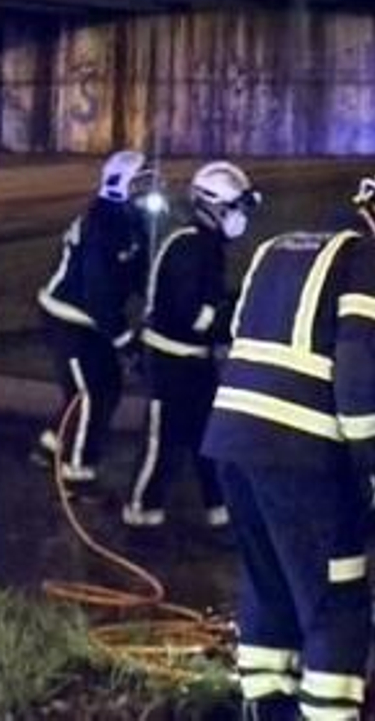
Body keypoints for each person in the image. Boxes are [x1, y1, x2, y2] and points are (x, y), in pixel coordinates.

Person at [203, 169, 375, 721]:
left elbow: (236, 333)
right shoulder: (366, 259)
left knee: (269, 587)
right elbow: (357, 372)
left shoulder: (277, 246)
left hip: (231, 443)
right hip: (300, 452)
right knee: (337, 598)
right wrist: (370, 461)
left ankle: (267, 709)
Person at [122, 161, 262, 531]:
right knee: (162, 443)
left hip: (193, 362)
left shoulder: (206, 244)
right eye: (235, 208)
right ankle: (140, 517)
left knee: (208, 440)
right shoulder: (189, 245)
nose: (240, 218)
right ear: (212, 205)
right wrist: (227, 321)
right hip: (169, 363)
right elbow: (190, 313)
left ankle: (220, 513)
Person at [35, 150, 156, 484]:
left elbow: (139, 272)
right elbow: (98, 292)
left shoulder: (131, 220)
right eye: (141, 183)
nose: (148, 190)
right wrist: (124, 340)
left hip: (91, 319)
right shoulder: (101, 225)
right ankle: (76, 472)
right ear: (120, 186)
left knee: (98, 389)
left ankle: (51, 446)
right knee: (95, 393)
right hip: (69, 318)